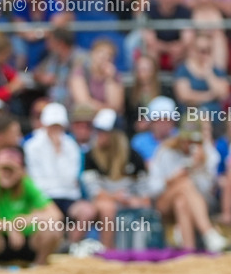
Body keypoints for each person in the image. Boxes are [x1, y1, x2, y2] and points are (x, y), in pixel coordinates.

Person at [0, 147, 65, 266]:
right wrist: (10, 227)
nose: (6, 174)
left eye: (11, 170)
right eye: (3, 169)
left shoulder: (26, 183)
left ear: (20, 171)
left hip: (28, 241)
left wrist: (28, 219)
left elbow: (56, 214)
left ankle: (39, 265)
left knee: (53, 226)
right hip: (1, 242)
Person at [148, 119, 227, 252]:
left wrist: (198, 167)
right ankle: (209, 233)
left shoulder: (208, 154)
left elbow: (207, 192)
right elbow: (153, 188)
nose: (190, 144)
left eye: (195, 140)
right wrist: (173, 179)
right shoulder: (165, 151)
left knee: (181, 202)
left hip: (194, 204)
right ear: (181, 137)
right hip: (164, 204)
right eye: (188, 139)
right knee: (184, 184)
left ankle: (188, 252)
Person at [78, 109, 151, 249]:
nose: (98, 135)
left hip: (127, 203)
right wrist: (116, 197)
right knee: (107, 207)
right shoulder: (91, 157)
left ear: (115, 135)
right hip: (101, 203)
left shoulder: (134, 157)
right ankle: (108, 252)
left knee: (138, 210)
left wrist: (132, 200)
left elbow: (145, 196)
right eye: (97, 131)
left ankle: (137, 253)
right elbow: (95, 192)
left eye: (103, 131)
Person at [23, 103, 91, 220]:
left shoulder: (71, 145)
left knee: (87, 212)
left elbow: (71, 179)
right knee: (51, 215)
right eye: (52, 125)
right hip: (44, 196)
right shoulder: (32, 146)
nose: (55, 129)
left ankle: (73, 239)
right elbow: (35, 179)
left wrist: (58, 152)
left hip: (68, 196)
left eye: (58, 126)